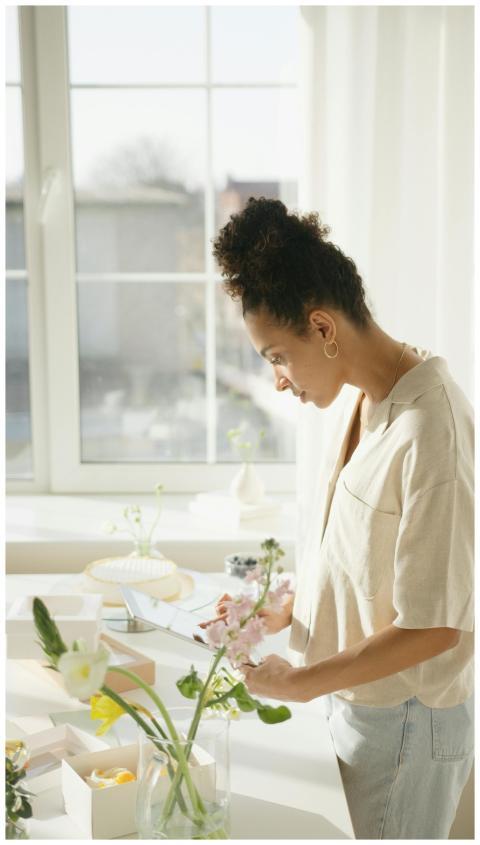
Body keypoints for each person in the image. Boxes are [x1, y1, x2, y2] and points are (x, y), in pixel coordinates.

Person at [201, 197, 474, 839]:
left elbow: (436, 627)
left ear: (322, 328)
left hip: (406, 723)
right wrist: (283, 610)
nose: (277, 381)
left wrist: (298, 684)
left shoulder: (431, 427)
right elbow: (365, 563)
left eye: (275, 356)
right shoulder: (366, 404)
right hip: (363, 707)